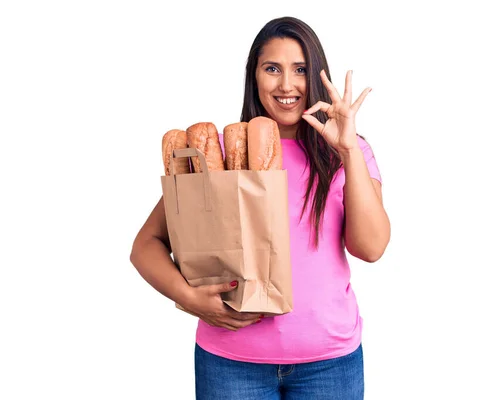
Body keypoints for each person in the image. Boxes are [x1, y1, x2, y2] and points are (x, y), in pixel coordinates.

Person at [130, 16, 391, 400]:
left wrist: (348, 149)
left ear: (317, 76)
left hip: (330, 364)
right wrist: (188, 298)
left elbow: (370, 248)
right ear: (254, 76)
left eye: (300, 69)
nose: (287, 85)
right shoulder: (217, 154)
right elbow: (145, 245)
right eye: (272, 69)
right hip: (230, 363)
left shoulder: (349, 151)